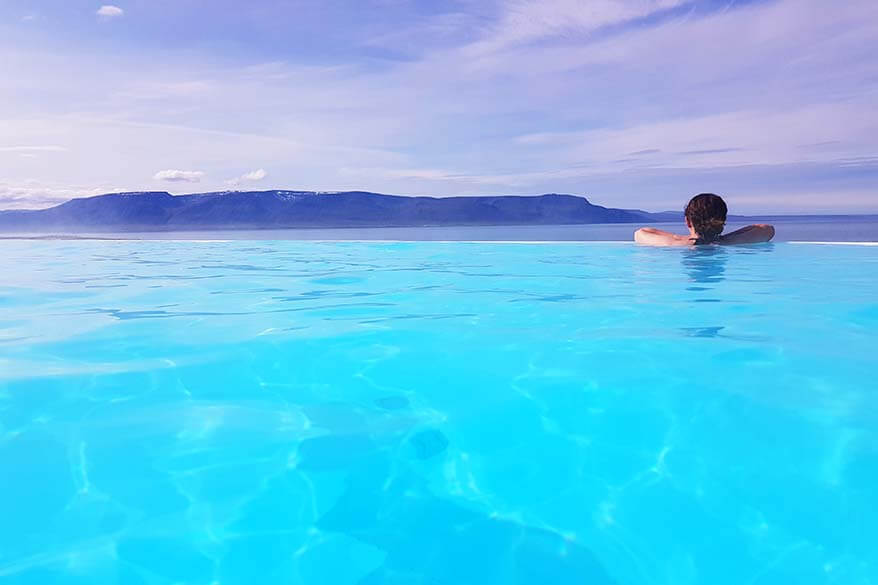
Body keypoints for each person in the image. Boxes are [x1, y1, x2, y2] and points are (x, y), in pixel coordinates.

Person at [634, 193, 775, 246]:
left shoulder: (674, 244)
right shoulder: (733, 243)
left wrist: (681, 238)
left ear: (688, 221)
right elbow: (767, 229)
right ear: (723, 221)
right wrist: (724, 239)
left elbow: (640, 233)